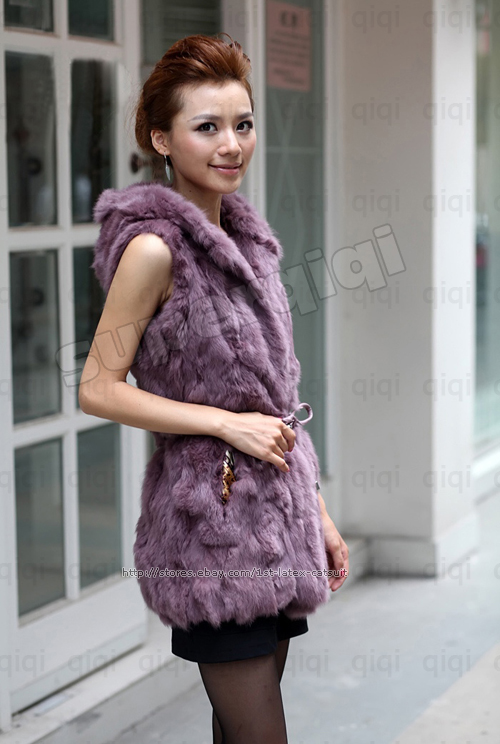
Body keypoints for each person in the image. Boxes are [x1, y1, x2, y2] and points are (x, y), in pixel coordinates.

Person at [79, 33, 349, 744]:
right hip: (212, 529)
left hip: (277, 519)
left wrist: (317, 511)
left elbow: (274, 398)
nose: (231, 145)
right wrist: (223, 423)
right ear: (161, 139)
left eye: (243, 124)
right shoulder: (153, 249)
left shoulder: (252, 245)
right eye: (207, 127)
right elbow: (97, 387)